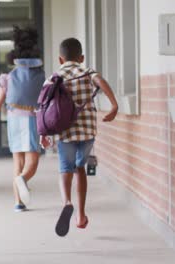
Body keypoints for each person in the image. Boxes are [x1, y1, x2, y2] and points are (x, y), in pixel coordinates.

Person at [41, 38, 118, 236]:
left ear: (60, 58)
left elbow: (42, 105)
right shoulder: (87, 71)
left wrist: (43, 133)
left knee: (65, 168)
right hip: (87, 131)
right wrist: (114, 105)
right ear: (81, 57)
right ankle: (81, 215)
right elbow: (100, 81)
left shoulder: (55, 76)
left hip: (65, 131)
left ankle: (67, 202)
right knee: (79, 168)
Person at [0, 26, 45, 212]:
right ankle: (23, 180)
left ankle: (18, 202)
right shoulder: (42, 77)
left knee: (17, 162)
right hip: (32, 118)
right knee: (32, 162)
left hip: (13, 119)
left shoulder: (8, 78)